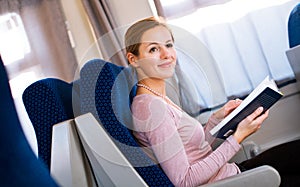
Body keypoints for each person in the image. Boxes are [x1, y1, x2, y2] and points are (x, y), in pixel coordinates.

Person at [125, 16, 300, 187]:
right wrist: (237, 137)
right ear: (134, 60)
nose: (166, 55)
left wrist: (217, 118)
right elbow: (184, 180)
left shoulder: (158, 98)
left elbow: (193, 151)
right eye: (154, 49)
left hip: (232, 173)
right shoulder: (151, 108)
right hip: (232, 181)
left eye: (169, 45)